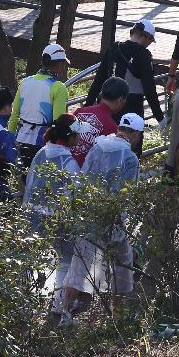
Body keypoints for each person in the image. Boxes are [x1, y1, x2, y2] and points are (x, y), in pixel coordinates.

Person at [64, 112, 144, 303]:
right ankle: (118, 314)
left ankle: (64, 312)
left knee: (79, 267)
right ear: (136, 134)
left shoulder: (98, 147)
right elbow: (127, 194)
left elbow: (84, 179)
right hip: (114, 221)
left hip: (89, 215)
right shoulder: (130, 157)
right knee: (122, 267)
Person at [23, 115, 84, 322]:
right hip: (56, 220)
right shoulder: (69, 162)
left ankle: (24, 304)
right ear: (71, 136)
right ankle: (58, 307)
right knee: (65, 260)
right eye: (77, 135)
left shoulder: (41, 153)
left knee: (30, 261)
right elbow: (74, 196)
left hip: (32, 215)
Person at [88, 20, 164, 124]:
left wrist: (88, 104)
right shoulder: (144, 55)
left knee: (105, 137)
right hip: (131, 109)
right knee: (130, 139)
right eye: (151, 41)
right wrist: (159, 116)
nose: (149, 44)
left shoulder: (114, 47)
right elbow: (149, 88)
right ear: (146, 37)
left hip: (106, 106)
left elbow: (99, 79)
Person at [11, 44, 71, 163]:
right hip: (41, 144)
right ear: (60, 64)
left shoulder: (25, 82)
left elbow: (14, 115)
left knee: (22, 179)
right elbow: (58, 123)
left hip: (20, 139)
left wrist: (10, 140)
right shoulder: (58, 87)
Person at [71, 76, 127, 167]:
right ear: (120, 100)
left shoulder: (80, 111)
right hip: (84, 176)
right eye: (125, 100)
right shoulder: (112, 128)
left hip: (61, 167)